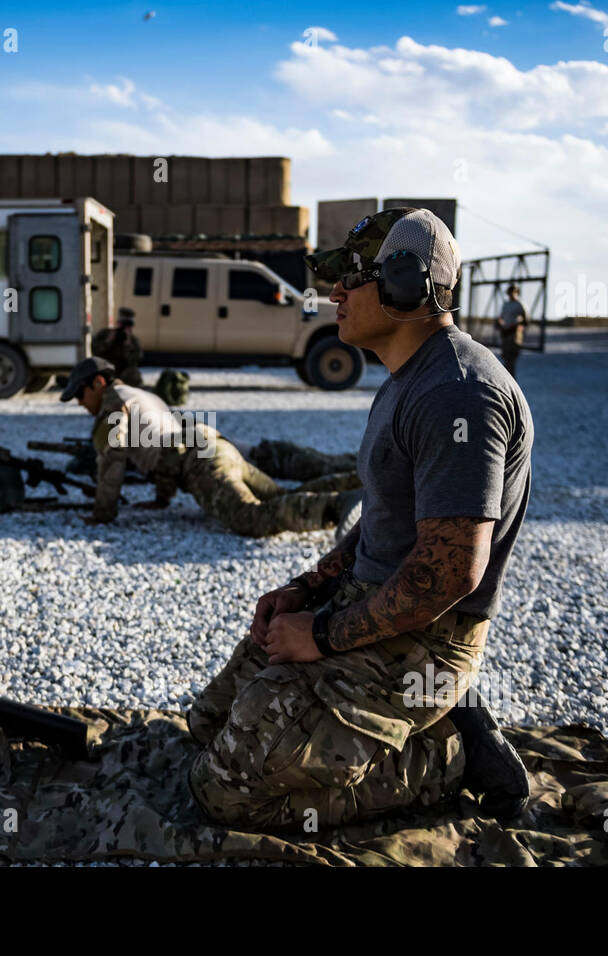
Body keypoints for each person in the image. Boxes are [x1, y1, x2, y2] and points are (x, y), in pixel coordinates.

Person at [187, 207, 534, 829]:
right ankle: (439, 719)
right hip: (368, 606)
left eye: (355, 277)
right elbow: (380, 521)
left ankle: (448, 757)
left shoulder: (458, 391)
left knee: (225, 793)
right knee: (205, 726)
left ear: (408, 286)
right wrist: (305, 588)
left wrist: (319, 636)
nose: (334, 293)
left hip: (425, 639)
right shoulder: (405, 379)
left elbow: (450, 574)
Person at [61, 357, 355, 537]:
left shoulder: (113, 406)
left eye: (80, 393)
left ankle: (342, 506)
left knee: (250, 517)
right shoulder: (136, 394)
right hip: (214, 446)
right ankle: (360, 482)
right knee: (282, 496)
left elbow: (113, 459)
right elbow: (163, 442)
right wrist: (162, 498)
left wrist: (102, 513)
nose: (79, 402)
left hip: (200, 461)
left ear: (98, 383)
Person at [91, 310, 144, 387]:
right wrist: (108, 341)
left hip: (123, 373)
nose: (125, 328)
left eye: (128, 325)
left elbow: (134, 361)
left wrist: (128, 344)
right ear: (118, 323)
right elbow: (95, 351)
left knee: (133, 374)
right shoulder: (105, 334)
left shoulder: (134, 341)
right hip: (106, 368)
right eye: (123, 324)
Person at [494, 285, 527, 378]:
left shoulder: (519, 305)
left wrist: (517, 326)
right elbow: (502, 317)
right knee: (506, 359)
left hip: (514, 335)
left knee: (511, 361)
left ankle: (512, 382)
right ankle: (507, 380)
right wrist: (500, 324)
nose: (511, 295)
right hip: (506, 334)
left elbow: (525, 320)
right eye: (510, 293)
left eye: (513, 292)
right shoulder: (506, 305)